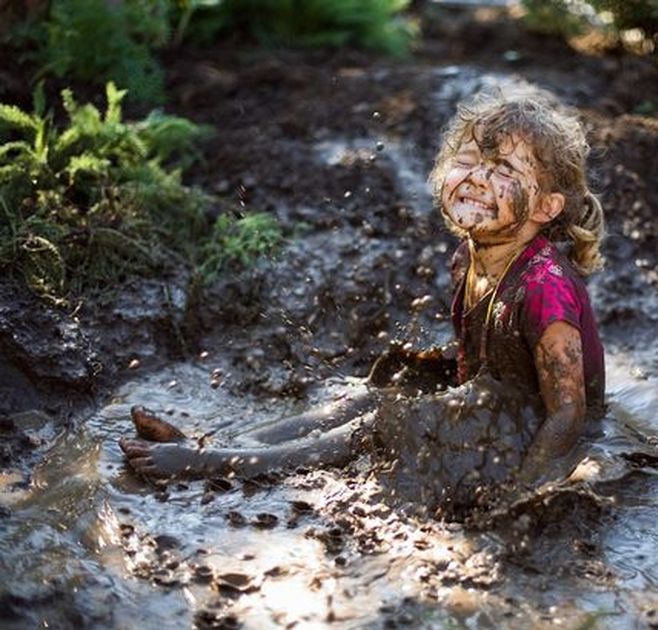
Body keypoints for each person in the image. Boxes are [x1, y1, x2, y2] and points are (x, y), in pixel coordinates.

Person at [120, 87, 606, 486]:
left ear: (546, 207)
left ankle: (206, 465)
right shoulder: (467, 257)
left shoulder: (546, 289)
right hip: (493, 404)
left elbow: (567, 416)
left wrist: (525, 491)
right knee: (369, 398)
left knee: (382, 426)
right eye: (472, 159)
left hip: (534, 430)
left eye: (504, 170)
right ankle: (215, 444)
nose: (479, 178)